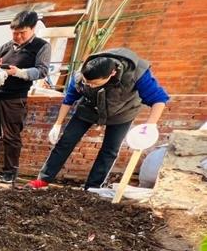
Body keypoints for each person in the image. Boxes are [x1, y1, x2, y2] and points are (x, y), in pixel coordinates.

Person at [27, 48, 170, 189]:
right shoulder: (81, 75)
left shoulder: (136, 73)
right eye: (86, 82)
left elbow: (159, 99)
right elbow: (69, 99)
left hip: (122, 113)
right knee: (65, 142)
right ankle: (43, 179)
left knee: (110, 150)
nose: (89, 85)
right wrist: (58, 124)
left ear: (112, 73)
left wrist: (150, 125)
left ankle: (92, 187)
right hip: (88, 108)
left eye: (94, 83)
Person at [0, 11, 50, 184]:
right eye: (15, 33)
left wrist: (18, 72)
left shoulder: (41, 46)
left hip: (15, 98)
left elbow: (42, 71)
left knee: (11, 137)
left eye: (22, 33)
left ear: (33, 28)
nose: (18, 36)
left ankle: (10, 171)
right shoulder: (5, 47)